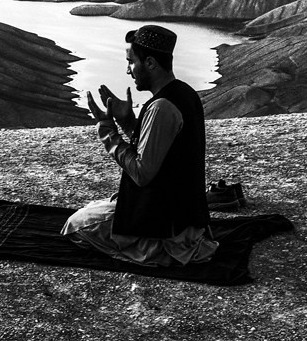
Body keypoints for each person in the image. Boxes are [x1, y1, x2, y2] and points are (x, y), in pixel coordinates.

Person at [61, 25, 218, 266]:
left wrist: (108, 131)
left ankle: (151, 250)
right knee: (98, 208)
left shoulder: (161, 107)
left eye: (131, 62)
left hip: (167, 227)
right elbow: (162, 147)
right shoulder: (185, 93)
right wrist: (127, 122)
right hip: (183, 215)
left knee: (75, 225)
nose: (128, 70)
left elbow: (142, 173)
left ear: (151, 63)